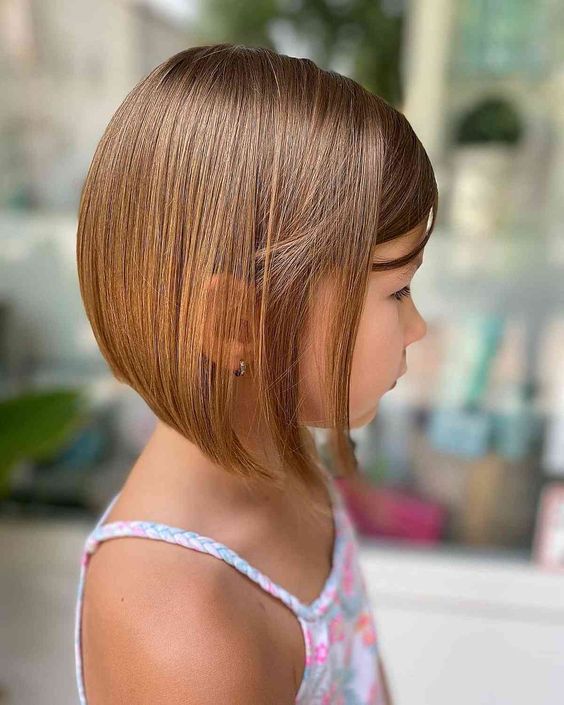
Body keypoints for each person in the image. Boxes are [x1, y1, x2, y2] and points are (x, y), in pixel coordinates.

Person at [74, 43, 438, 704]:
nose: (418, 327)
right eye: (398, 291)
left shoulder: (286, 451)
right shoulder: (183, 629)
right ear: (235, 322)